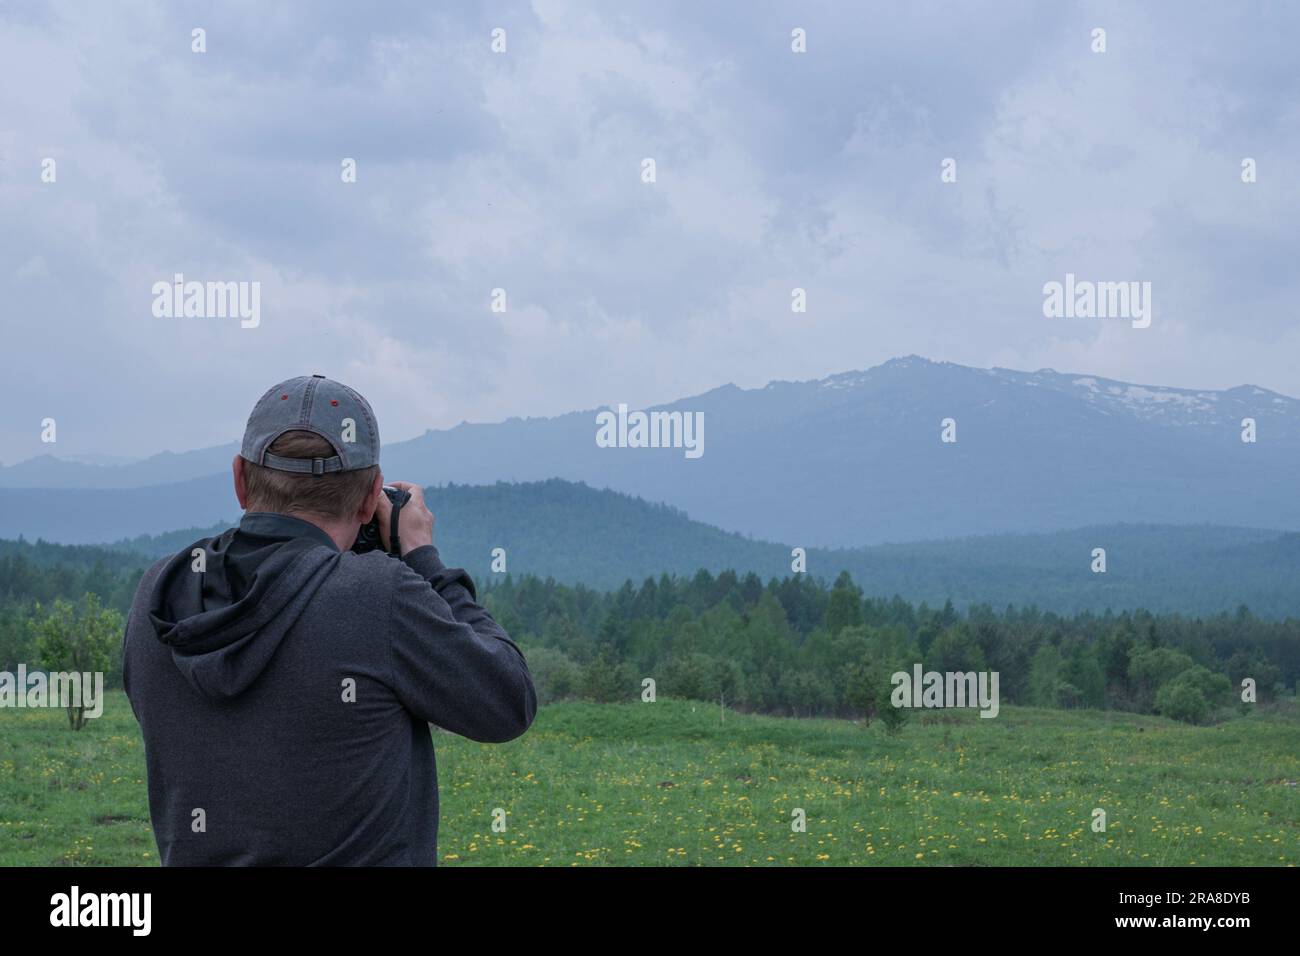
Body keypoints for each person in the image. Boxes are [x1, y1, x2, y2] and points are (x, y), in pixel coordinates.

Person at [123, 374, 536, 865]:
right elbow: (507, 701)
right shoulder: (378, 596)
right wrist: (424, 559)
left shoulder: (163, 591)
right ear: (371, 498)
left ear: (239, 480)